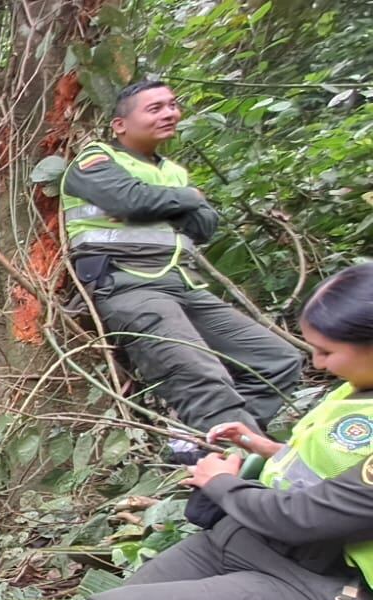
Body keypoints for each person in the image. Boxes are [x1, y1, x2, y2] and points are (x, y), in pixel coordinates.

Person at [0, 263, 373, 600]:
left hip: (318, 584)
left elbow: (310, 515)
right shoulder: (357, 388)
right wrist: (266, 448)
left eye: (327, 352)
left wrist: (220, 483)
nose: (316, 363)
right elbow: (326, 468)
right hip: (245, 540)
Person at [63, 80, 301, 460]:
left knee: (277, 359)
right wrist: (187, 200)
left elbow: (204, 226)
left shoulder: (173, 171)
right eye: (154, 108)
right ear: (120, 125)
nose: (169, 113)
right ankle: (238, 467)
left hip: (183, 285)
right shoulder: (95, 160)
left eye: (172, 105)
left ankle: (209, 445)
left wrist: (161, 203)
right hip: (128, 284)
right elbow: (130, 201)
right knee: (201, 374)